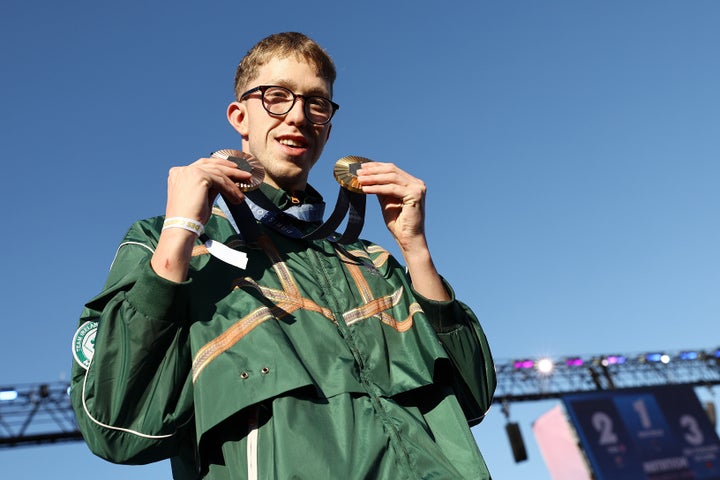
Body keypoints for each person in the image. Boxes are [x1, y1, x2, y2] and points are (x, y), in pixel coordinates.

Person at [70, 32, 496, 479]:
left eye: (316, 103)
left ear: (329, 127)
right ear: (240, 115)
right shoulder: (168, 245)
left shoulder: (373, 261)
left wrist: (416, 249)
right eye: (277, 97)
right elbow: (116, 426)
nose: (298, 116)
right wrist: (179, 232)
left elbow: (474, 396)